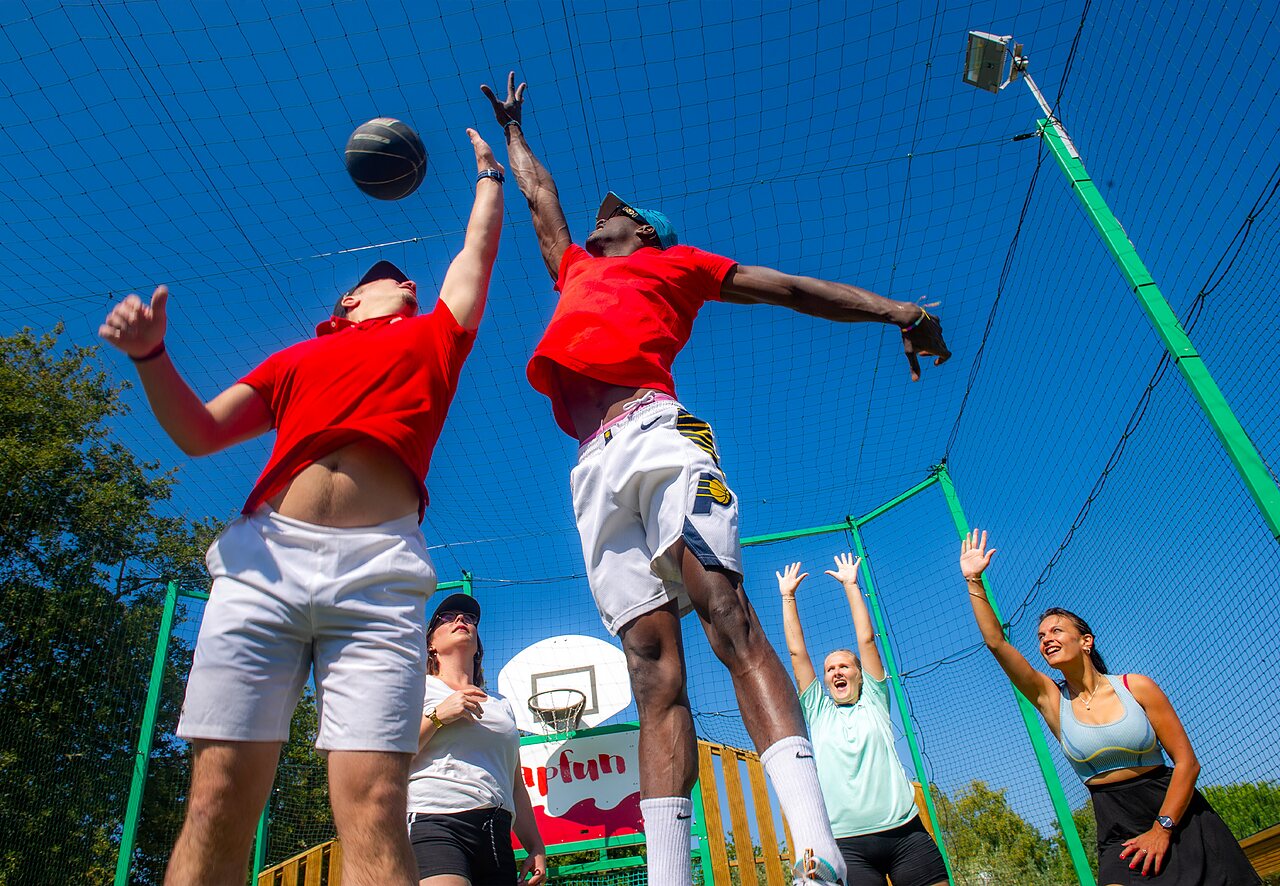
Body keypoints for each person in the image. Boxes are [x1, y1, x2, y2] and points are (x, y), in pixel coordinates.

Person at [481, 71, 951, 886]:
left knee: (726, 613)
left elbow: (798, 290)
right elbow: (541, 203)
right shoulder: (575, 273)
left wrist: (900, 312)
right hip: (592, 465)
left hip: (662, 435)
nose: (603, 211)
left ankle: (816, 853)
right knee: (648, 667)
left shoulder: (684, 266)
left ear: (646, 234)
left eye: (617, 211)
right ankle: (669, 877)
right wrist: (514, 134)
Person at [97, 130, 505, 886]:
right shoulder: (298, 358)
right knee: (218, 799)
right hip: (263, 565)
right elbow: (198, 432)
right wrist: (153, 357)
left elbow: (472, 260)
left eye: (411, 280)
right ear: (348, 301)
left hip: (379, 574)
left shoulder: (434, 340)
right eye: (388, 278)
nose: (406, 281)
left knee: (378, 803)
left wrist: (490, 175)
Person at [959, 529, 1261, 885]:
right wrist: (974, 580)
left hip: (1178, 818)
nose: (1046, 639)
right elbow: (996, 643)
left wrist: (1162, 828)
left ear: (1085, 641)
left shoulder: (1137, 687)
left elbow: (1187, 764)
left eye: (1056, 631)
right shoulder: (1051, 700)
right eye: (1041, 637)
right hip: (1118, 830)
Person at [776, 555, 948, 886]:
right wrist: (788, 597)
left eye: (844, 666)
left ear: (860, 674)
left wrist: (851, 585)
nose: (836, 671)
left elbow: (867, 640)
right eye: (829, 669)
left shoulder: (874, 700)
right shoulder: (817, 709)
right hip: (846, 846)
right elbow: (798, 654)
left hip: (905, 836)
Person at [407, 593, 548, 885]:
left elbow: (515, 782)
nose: (461, 619)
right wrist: (438, 716)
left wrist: (535, 845)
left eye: (469, 618)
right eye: (447, 617)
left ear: (478, 646)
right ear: (431, 643)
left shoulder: (501, 704)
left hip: (496, 834)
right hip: (435, 821)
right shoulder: (415, 688)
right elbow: (391, 759)